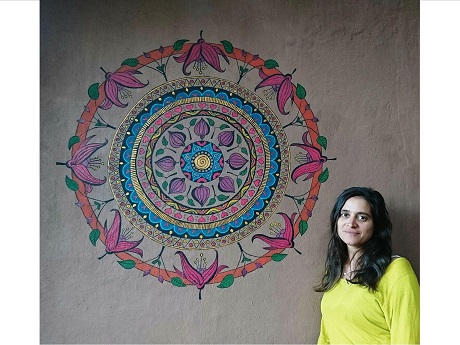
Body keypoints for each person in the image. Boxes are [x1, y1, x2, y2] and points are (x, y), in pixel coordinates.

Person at [314, 187, 420, 344]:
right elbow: (326, 337)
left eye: (362, 217)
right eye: (345, 215)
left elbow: (408, 338)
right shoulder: (333, 273)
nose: (351, 223)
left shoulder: (396, 271)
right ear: (336, 220)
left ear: (376, 225)